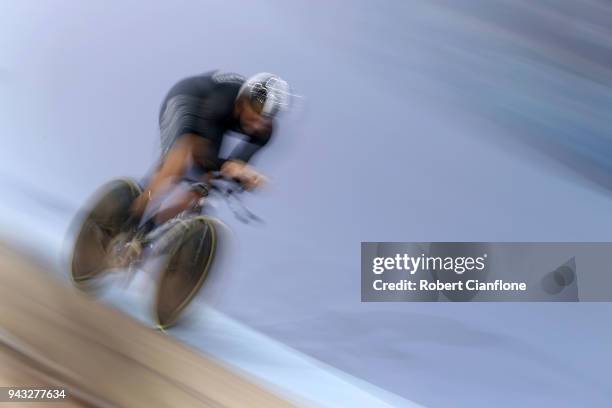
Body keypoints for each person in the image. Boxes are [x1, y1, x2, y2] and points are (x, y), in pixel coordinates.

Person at [130, 70, 290, 226]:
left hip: (215, 123)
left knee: (204, 188)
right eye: (254, 114)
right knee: (182, 156)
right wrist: (230, 168)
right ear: (242, 101)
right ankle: (134, 213)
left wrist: (243, 176)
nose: (256, 124)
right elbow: (205, 154)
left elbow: (237, 164)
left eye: (263, 119)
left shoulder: (264, 132)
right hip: (188, 99)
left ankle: (149, 231)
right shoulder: (224, 99)